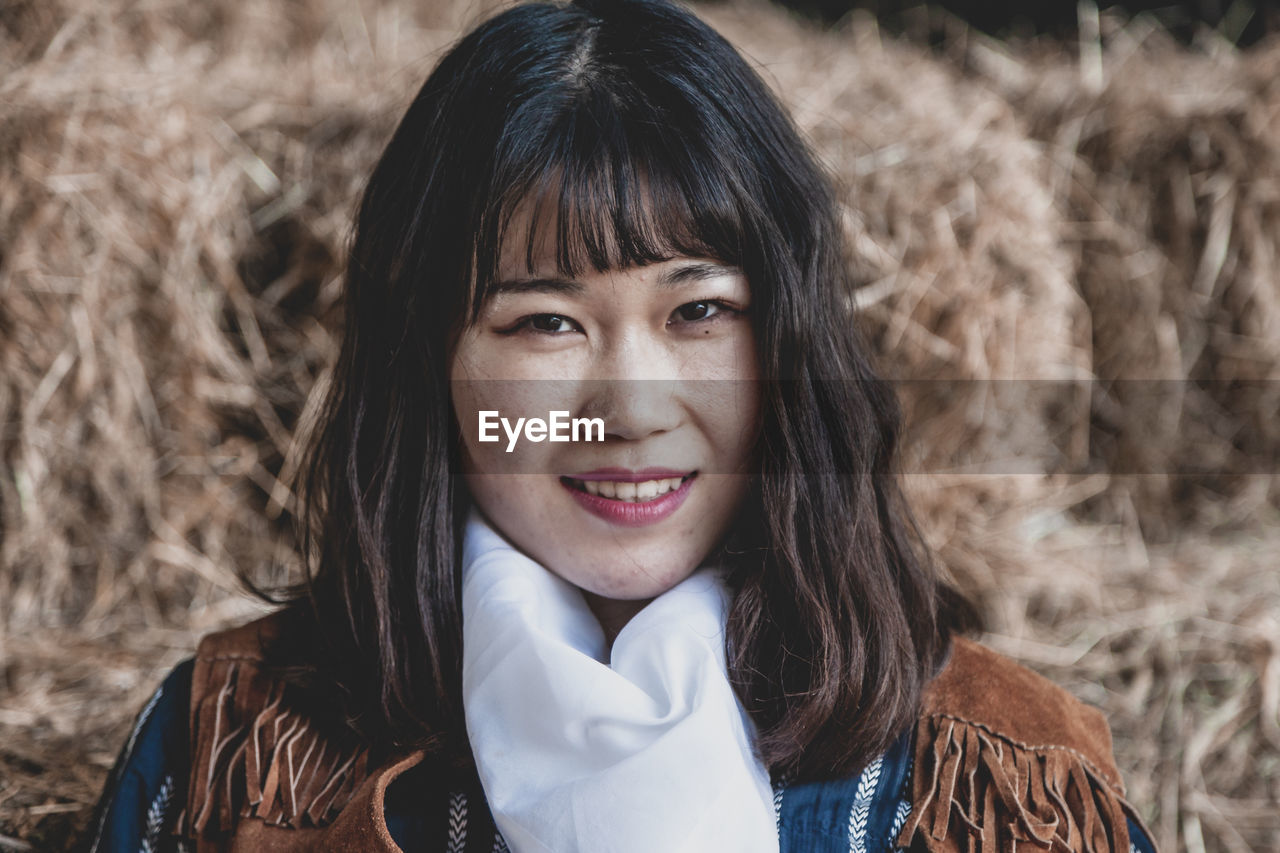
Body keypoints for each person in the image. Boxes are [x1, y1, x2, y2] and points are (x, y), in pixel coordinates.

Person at [84, 0, 1159, 850]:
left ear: (786, 351)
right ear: (432, 371)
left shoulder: (994, 784)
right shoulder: (228, 755)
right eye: (545, 323)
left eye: (699, 312)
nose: (633, 409)